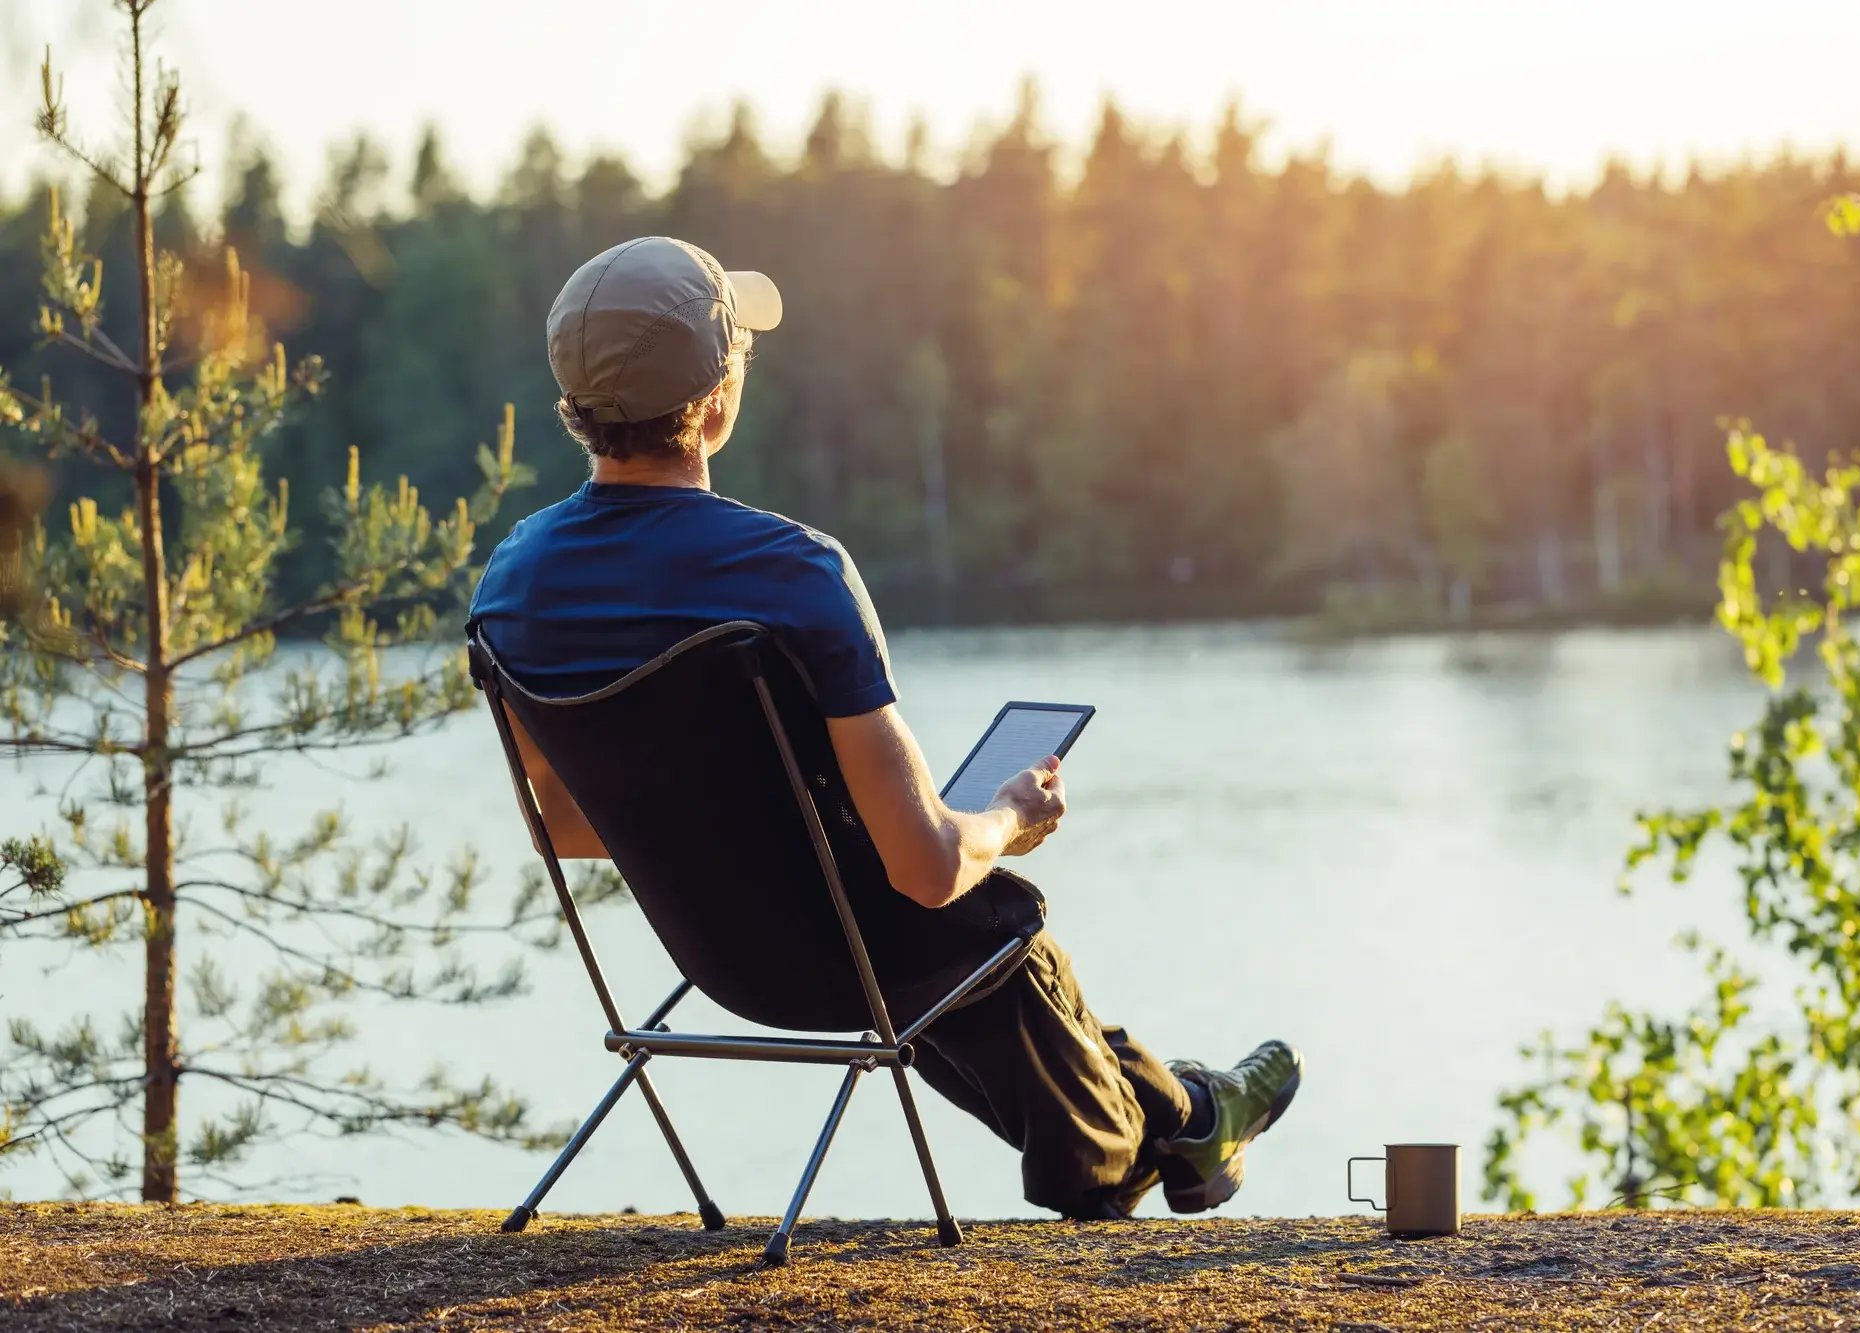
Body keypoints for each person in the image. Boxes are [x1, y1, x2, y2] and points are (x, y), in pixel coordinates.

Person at [468, 237, 1301, 1220]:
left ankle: (1196, 1112)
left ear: (575, 404)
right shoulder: (791, 574)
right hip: (877, 961)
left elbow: (557, 825)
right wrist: (1003, 814)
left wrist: (718, 825)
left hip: (722, 965)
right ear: (715, 400)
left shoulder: (511, 584)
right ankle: (1157, 1136)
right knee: (1001, 938)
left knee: (955, 950)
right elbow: (927, 870)